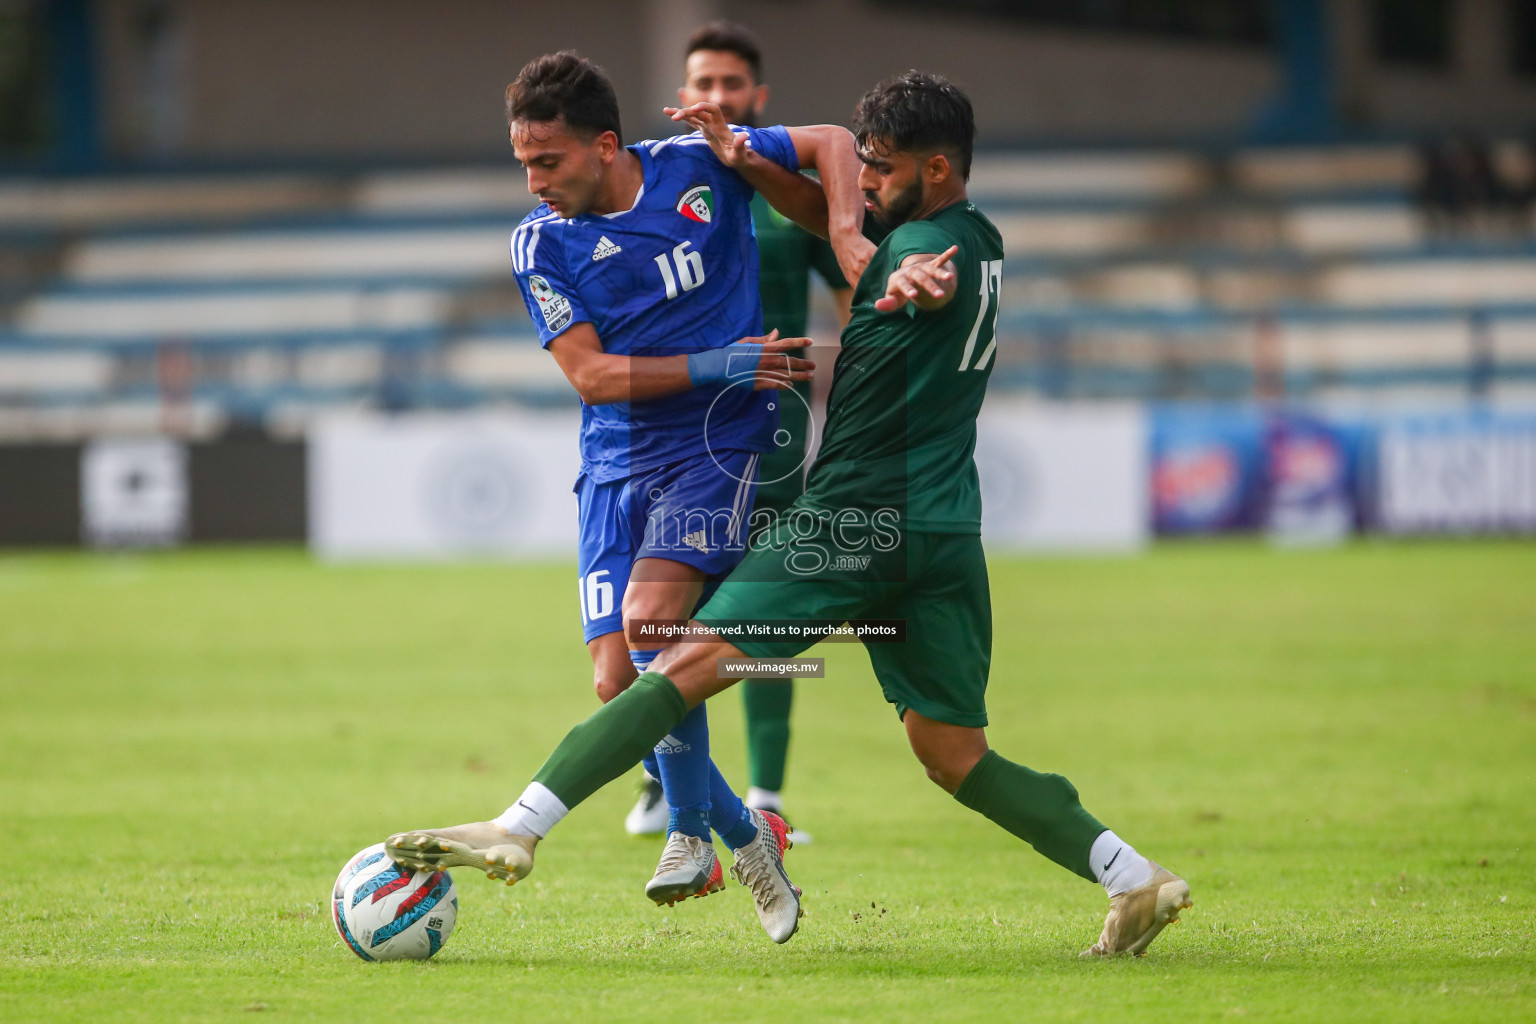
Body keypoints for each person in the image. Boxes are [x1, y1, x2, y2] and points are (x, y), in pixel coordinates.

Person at [389, 71, 1190, 957]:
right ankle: (1131, 876)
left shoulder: (919, 258)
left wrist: (893, 273)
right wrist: (753, 164)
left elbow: (896, 271)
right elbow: (832, 215)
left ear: (933, 169)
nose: (865, 185)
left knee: (679, 664)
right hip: (946, 530)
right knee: (954, 753)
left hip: (852, 525)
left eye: (880, 170)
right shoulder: (979, 238)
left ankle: (522, 823)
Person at [392, 50, 864, 940]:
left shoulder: (697, 165)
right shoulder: (540, 242)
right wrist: (728, 357)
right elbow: (597, 378)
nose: (533, 181)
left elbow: (834, 140)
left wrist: (843, 231)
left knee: (651, 628)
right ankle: (743, 834)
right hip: (614, 461)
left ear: (606, 145)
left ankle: (687, 830)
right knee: (619, 683)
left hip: (718, 443)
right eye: (523, 161)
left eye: (549, 161)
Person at [624, 21, 853, 843]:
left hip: (770, 428)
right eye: (703, 85)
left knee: (755, 606)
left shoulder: (787, 205)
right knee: (654, 607)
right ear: (684, 97)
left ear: (757, 97)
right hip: (671, 428)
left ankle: (765, 791)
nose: (716, 98)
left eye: (731, 85)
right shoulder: (656, 192)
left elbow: (851, 281)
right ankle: (672, 776)